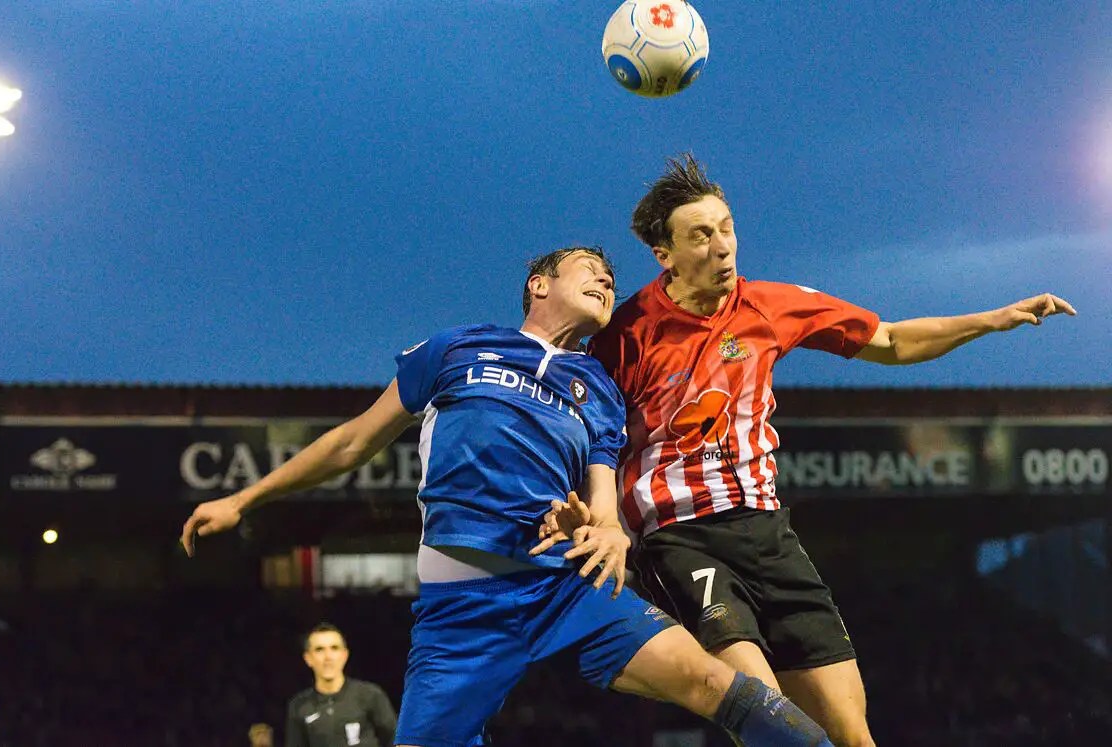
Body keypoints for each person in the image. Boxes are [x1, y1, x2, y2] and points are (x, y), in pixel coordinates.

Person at [180, 246, 835, 747]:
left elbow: (603, 504)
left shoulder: (598, 390)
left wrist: (604, 528)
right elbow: (352, 441)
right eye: (589, 268)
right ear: (539, 283)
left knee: (708, 679)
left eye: (611, 276)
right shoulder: (458, 349)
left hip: (564, 587)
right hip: (462, 605)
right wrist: (245, 500)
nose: (606, 279)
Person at [539, 157, 1076, 747]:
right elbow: (591, 435)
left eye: (727, 227)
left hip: (771, 538)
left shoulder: (771, 305)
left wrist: (991, 320)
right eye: (700, 235)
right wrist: (587, 514)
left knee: (851, 733)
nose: (722, 246)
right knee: (768, 715)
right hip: (681, 538)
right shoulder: (625, 335)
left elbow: (891, 341)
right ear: (664, 254)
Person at [284, 623, 397, 747]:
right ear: (308, 658)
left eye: (334, 648)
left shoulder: (371, 695)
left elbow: (395, 740)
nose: (328, 657)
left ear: (345, 655)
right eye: (319, 649)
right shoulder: (299, 706)